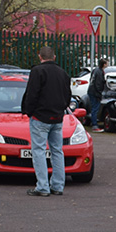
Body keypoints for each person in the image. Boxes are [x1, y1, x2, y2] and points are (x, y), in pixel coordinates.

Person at [21, 45, 72, 197]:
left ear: (40, 57)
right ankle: (58, 185)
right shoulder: (62, 73)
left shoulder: (37, 71)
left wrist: (29, 111)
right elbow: (67, 95)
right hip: (57, 117)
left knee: (39, 151)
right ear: (54, 57)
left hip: (40, 117)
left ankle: (42, 186)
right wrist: (61, 109)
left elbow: (32, 94)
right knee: (57, 151)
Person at [87, 58, 107, 131]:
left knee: (93, 108)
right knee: (95, 108)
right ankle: (94, 125)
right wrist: (99, 94)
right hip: (95, 92)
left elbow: (92, 80)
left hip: (91, 91)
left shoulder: (96, 70)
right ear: (104, 64)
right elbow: (98, 84)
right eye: (106, 63)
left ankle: (93, 122)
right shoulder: (99, 72)